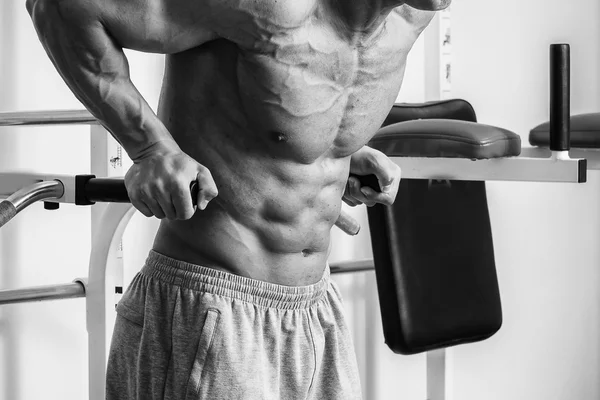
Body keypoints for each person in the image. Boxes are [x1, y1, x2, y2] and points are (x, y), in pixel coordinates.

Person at [26, 0, 449, 398]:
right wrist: (151, 149)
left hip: (316, 314)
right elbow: (63, 8)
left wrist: (333, 156)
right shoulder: (269, 7)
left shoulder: (411, 16)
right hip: (212, 312)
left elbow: (290, 106)